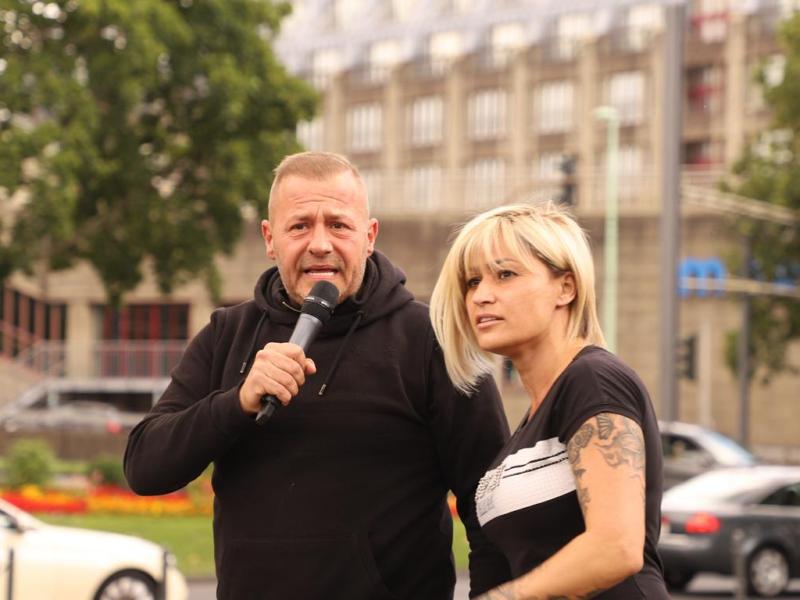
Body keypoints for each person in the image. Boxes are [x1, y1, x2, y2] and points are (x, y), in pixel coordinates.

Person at [124, 151, 512, 599]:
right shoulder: (227, 335)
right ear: (270, 239)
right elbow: (145, 468)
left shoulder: (433, 340)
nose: (320, 243)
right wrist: (237, 402)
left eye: (339, 225)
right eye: (300, 225)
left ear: (369, 236)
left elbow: (491, 507)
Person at [429, 202, 669, 599]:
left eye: (505, 274)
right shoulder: (530, 424)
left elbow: (617, 548)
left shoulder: (593, 381)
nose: (481, 296)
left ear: (566, 287)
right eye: (472, 282)